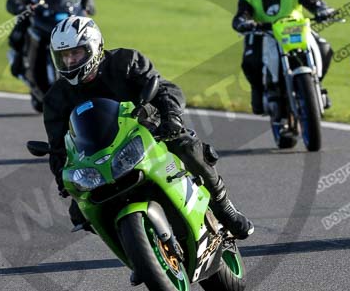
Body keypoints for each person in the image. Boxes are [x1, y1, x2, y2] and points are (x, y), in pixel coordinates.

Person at [43, 15, 254, 264]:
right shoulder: (56, 98)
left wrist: (171, 118)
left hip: (149, 132)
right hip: (100, 160)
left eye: (76, 54)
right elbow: (58, 146)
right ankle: (137, 255)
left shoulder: (125, 61)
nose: (70, 61)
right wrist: (62, 179)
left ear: (94, 47)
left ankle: (224, 207)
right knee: (80, 212)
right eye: (64, 56)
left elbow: (166, 89)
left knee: (188, 148)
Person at [232, 0, 336, 118]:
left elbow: (310, 0)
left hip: (296, 27)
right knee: (250, 60)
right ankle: (258, 93)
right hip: (265, 32)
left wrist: (322, 9)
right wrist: (244, 22)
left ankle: (316, 84)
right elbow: (240, 15)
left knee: (325, 48)